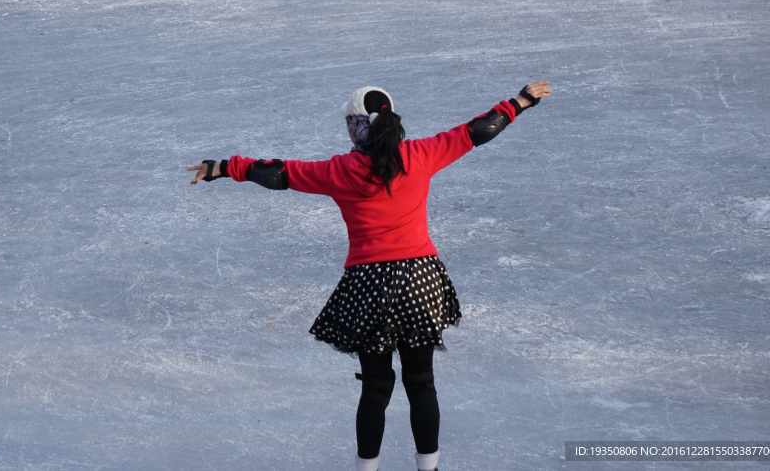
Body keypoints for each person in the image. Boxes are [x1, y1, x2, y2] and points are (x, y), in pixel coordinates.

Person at [187, 81, 552, 471]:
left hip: (368, 285)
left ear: (355, 128)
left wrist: (224, 168)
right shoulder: (421, 154)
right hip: (420, 278)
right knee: (421, 381)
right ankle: (429, 468)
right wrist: (522, 100)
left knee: (376, 388)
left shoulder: (341, 171)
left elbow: (279, 174)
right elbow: (477, 131)